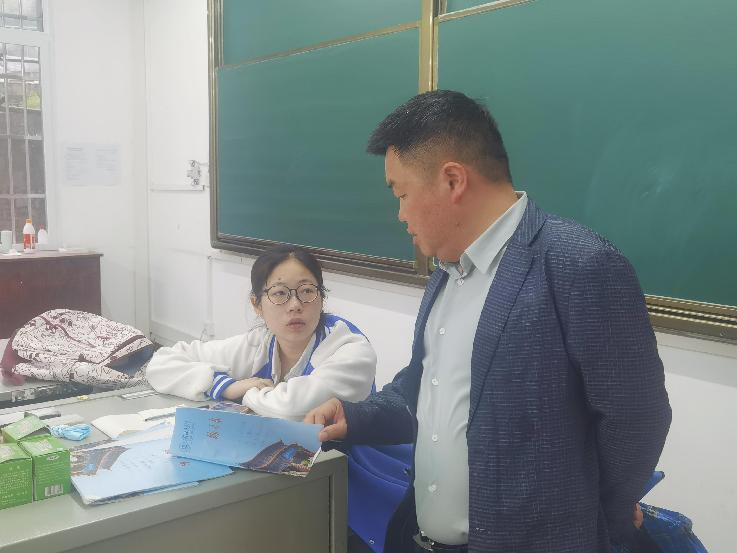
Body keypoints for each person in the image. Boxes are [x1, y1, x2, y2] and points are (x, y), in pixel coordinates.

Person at [305, 90, 672, 553]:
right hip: (420, 537)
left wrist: (592, 515)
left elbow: (637, 418)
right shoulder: (447, 272)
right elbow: (424, 389)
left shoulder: (577, 264)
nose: (400, 213)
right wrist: (357, 418)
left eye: (402, 193)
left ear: (452, 180)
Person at [146, 245, 376, 421]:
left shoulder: (350, 350)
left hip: (348, 463)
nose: (295, 305)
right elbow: (161, 364)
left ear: (322, 298)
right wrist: (225, 386)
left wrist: (243, 392)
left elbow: (291, 409)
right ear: (257, 305)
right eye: (279, 293)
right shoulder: (260, 342)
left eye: (307, 291)